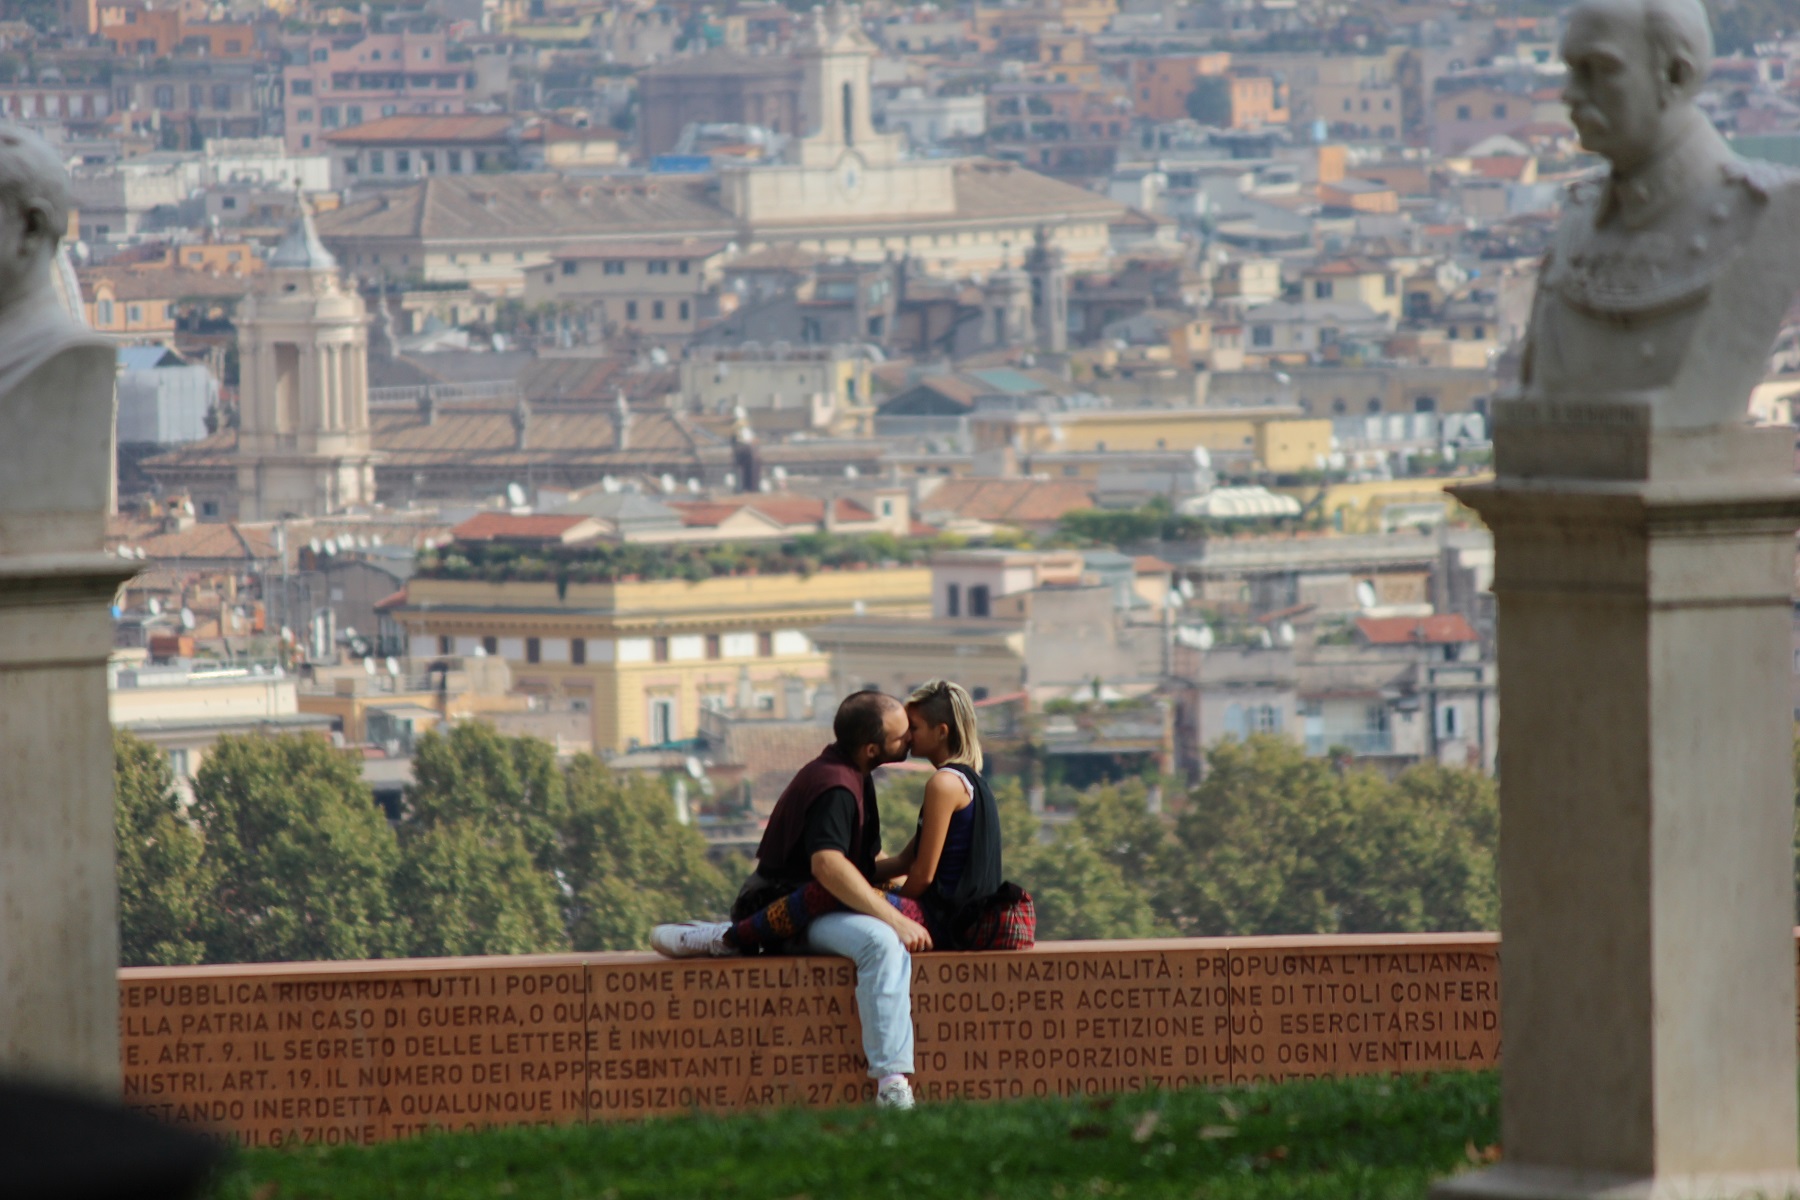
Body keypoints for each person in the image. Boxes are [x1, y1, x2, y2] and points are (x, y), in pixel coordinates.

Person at [651, 691, 926, 1109]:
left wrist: (908, 867)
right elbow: (828, 867)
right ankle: (892, 1083)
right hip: (793, 910)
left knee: (883, 934)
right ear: (873, 749)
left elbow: (863, 864)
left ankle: (728, 937)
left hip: (818, 902)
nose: (909, 739)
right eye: (902, 735)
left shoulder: (850, 772)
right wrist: (896, 918)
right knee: (880, 941)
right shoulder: (835, 785)